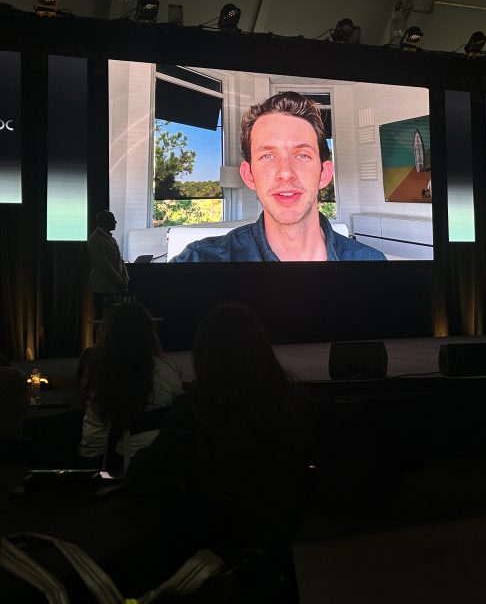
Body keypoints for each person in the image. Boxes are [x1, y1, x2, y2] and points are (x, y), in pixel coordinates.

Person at [125, 303, 313, 582]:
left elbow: (143, 477)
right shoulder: (295, 404)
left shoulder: (195, 411)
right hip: (273, 549)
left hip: (205, 556)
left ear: (203, 356)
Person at [170, 92, 385, 262]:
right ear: (249, 175)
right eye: (268, 156)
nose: (285, 172)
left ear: (324, 174)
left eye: (302, 155)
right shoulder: (200, 261)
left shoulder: (372, 264)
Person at [78, 302, 183, 469]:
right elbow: (179, 415)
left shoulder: (101, 373)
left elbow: (94, 438)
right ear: (148, 332)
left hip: (122, 468)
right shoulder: (168, 370)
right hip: (166, 463)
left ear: (107, 333)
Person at [88, 209, 130, 315]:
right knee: (103, 318)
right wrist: (119, 280)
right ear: (105, 221)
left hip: (113, 286)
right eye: (113, 220)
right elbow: (103, 264)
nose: (115, 222)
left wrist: (125, 277)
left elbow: (119, 260)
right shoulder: (95, 239)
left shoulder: (111, 239)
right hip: (102, 288)